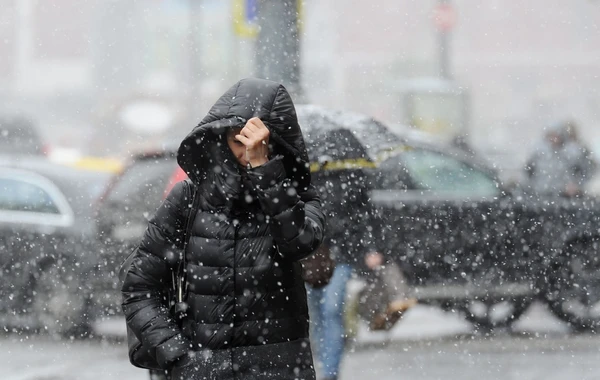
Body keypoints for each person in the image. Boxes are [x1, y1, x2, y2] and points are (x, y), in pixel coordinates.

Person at [121, 78, 325, 380]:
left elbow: (299, 244)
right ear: (221, 140)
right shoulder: (188, 199)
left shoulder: (298, 198)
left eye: (256, 143)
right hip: (202, 369)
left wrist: (265, 172)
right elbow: (139, 286)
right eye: (238, 142)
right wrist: (178, 355)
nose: (246, 153)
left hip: (279, 369)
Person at [307, 169, 415, 380]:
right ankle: (322, 363)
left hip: (341, 255)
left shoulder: (352, 176)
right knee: (317, 314)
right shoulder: (302, 174)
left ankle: (330, 371)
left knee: (331, 309)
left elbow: (368, 214)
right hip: (310, 256)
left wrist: (372, 247)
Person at [525, 120, 597, 197]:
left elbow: (588, 170)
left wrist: (577, 185)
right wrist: (532, 185)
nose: (554, 139)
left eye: (556, 135)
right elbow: (527, 171)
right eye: (551, 136)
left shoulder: (574, 153)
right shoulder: (539, 153)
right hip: (541, 194)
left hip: (565, 196)